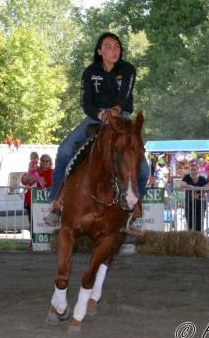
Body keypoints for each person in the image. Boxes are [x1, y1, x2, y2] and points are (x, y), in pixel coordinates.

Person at [45, 32, 150, 225]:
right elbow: (86, 103)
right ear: (100, 51)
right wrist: (102, 115)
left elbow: (125, 95)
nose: (114, 50)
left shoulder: (127, 70)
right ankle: (56, 202)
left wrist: (116, 110)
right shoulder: (90, 72)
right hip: (96, 118)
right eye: (108, 47)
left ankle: (135, 201)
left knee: (143, 168)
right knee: (65, 150)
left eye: (117, 46)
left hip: (122, 118)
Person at [22, 154, 53, 224]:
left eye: (47, 161)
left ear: (50, 162)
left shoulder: (53, 172)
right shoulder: (35, 171)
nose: (45, 162)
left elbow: (56, 185)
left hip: (46, 204)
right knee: (34, 225)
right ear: (40, 162)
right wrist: (28, 177)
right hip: (32, 202)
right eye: (43, 161)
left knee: (46, 225)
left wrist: (44, 183)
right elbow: (24, 181)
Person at [179, 163, 209, 232]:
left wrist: (198, 192)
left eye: (195, 170)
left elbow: (208, 187)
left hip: (200, 204)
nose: (193, 171)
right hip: (189, 204)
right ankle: (191, 241)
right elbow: (181, 185)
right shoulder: (187, 177)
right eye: (192, 170)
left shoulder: (202, 178)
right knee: (190, 224)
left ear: (198, 170)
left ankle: (198, 240)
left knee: (199, 224)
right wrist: (192, 187)